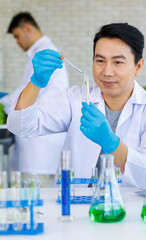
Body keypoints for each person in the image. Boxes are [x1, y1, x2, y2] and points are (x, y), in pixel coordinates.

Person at [7, 23, 146, 189]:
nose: (107, 72)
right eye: (100, 60)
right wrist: (36, 82)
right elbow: (21, 125)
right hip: (74, 207)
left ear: (138, 66)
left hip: (132, 210)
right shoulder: (76, 98)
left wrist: (111, 143)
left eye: (118, 62)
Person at [0, 12, 69, 186]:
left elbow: (27, 92)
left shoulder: (44, 54)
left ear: (28, 28)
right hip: (36, 142)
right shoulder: (39, 52)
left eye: (17, 36)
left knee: (38, 201)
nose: (17, 42)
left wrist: (4, 101)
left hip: (40, 144)